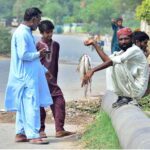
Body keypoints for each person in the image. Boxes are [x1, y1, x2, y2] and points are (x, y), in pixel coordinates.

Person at [4, 8, 53, 144]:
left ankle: (21, 133)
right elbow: (24, 55)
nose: (39, 24)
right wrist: (39, 54)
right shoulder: (22, 34)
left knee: (23, 105)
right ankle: (33, 135)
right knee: (31, 104)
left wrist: (43, 70)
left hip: (27, 75)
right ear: (33, 20)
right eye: (38, 20)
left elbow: (31, 58)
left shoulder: (25, 33)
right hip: (26, 77)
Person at [82, 28, 149, 108]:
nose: (123, 42)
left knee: (116, 64)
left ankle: (126, 98)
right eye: (121, 39)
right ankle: (121, 96)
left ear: (132, 39)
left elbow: (111, 62)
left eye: (126, 39)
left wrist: (92, 70)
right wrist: (94, 44)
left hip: (137, 90)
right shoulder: (123, 52)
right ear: (118, 41)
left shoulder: (135, 50)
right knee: (112, 64)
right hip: (132, 89)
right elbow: (107, 60)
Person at [36, 20, 75, 138]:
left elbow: (54, 64)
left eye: (51, 32)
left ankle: (59, 129)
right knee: (40, 104)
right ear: (41, 33)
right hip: (40, 79)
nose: (50, 34)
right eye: (47, 32)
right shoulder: (37, 45)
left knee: (58, 101)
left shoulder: (56, 45)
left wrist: (55, 78)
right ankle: (40, 130)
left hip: (52, 79)